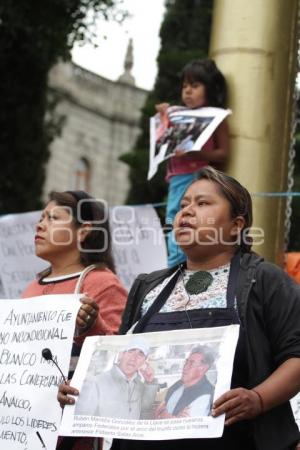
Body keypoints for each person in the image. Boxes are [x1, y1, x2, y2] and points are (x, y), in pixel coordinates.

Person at [59, 168, 300, 449]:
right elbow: (128, 357)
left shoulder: (264, 280)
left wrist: (258, 399)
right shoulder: (148, 286)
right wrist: (82, 387)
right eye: (184, 204)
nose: (185, 212)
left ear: (236, 225)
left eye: (202, 203)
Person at [22, 190, 127, 450]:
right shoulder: (31, 287)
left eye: (53, 217)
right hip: (23, 424)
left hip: (72, 431)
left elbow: (121, 357)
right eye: (41, 217)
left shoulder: (102, 283)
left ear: (83, 231)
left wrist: (93, 326)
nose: (40, 224)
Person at [156, 59, 230, 268]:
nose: (188, 91)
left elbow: (223, 153)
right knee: (173, 218)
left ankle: (182, 265)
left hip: (199, 177)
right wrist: (163, 116)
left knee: (192, 219)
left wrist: (197, 154)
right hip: (176, 178)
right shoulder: (177, 115)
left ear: (210, 88)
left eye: (195, 86)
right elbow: (163, 140)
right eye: (185, 86)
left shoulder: (217, 117)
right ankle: (174, 265)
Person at [74, 337, 158, 419]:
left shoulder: (140, 385)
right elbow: (82, 419)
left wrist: (150, 382)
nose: (134, 358)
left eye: (140, 354)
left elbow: (145, 410)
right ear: (122, 354)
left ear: (144, 361)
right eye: (131, 351)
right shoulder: (96, 382)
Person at [155, 345, 215, 419]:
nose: (185, 367)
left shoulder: (206, 395)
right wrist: (174, 418)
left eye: (191, 363)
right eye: (186, 362)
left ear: (203, 369)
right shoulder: (179, 383)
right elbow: (157, 412)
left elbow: (187, 428)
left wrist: (165, 415)